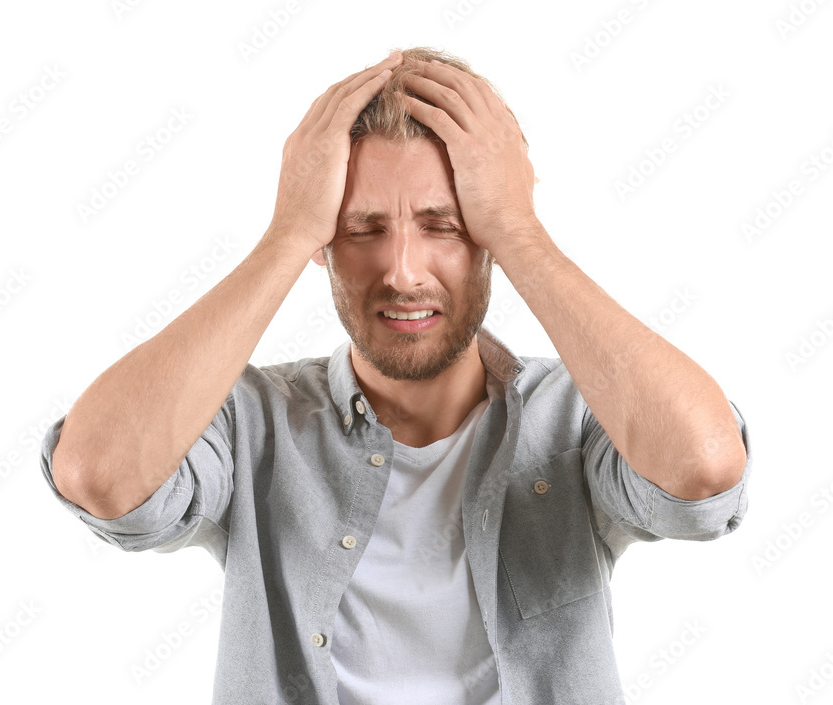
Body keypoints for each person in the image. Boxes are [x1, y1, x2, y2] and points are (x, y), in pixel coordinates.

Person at [40, 46, 752, 705]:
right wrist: (286, 234)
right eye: (361, 229)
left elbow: (704, 470)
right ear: (324, 242)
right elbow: (101, 476)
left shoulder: (574, 413)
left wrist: (520, 230)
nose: (403, 271)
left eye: (443, 224)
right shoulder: (253, 423)